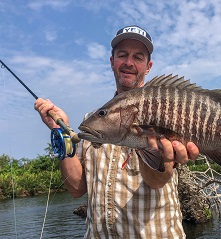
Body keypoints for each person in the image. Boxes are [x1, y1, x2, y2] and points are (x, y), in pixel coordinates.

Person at [35, 25, 199, 239]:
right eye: (122, 55)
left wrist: (155, 151)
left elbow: (157, 181)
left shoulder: (163, 110)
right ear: (112, 61)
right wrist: (60, 131)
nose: (129, 63)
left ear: (148, 66)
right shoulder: (92, 121)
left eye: (138, 57)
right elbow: (76, 187)